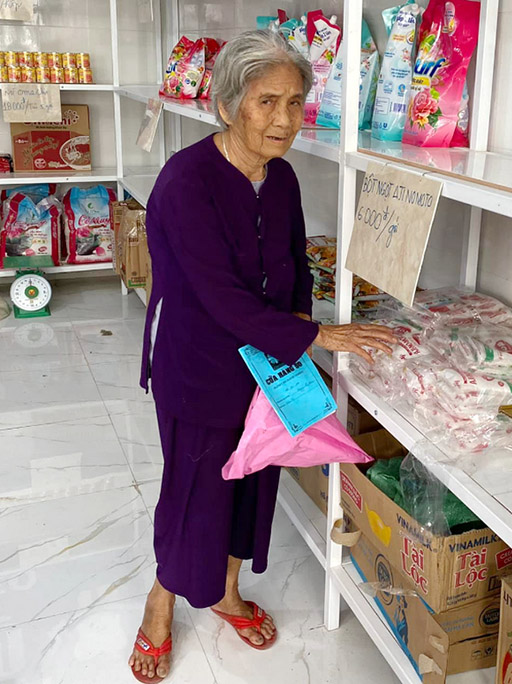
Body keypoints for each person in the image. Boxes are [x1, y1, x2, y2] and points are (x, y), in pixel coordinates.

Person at [129, 30, 397, 682]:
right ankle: (160, 604)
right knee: (194, 490)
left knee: (251, 482)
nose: (284, 120)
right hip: (197, 363)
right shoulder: (186, 181)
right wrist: (317, 338)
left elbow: (295, 263)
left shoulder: (279, 178)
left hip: (266, 365)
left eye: (296, 103)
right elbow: (218, 295)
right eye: (266, 101)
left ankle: (224, 592)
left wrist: (303, 317)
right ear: (227, 105)